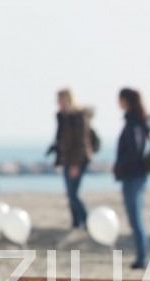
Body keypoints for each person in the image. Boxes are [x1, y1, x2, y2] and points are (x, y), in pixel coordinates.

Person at [114, 88, 150, 269]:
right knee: (135, 219)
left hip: (133, 176)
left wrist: (122, 166)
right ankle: (141, 257)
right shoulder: (137, 120)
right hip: (135, 175)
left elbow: (135, 149)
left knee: (135, 219)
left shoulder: (133, 121)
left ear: (125, 101)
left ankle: (142, 258)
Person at [51, 88, 94, 245]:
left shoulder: (78, 116)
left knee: (73, 193)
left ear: (68, 100)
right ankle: (76, 223)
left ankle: (87, 222)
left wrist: (76, 164)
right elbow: (60, 139)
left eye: (61, 100)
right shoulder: (62, 117)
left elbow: (81, 141)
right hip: (67, 160)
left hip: (78, 160)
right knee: (70, 194)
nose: (59, 103)